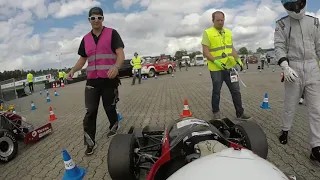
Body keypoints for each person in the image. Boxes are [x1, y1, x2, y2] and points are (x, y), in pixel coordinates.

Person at [68, 7, 125, 155]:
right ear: (89, 20)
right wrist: (73, 70)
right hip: (92, 81)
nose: (96, 20)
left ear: (103, 19)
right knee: (90, 111)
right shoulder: (85, 39)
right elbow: (82, 59)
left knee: (110, 107)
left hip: (109, 79)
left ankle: (114, 126)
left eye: (99, 17)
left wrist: (116, 67)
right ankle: (89, 142)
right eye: (93, 18)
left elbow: (120, 54)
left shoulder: (112, 33)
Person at [275, 0, 320, 163]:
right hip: (292, 67)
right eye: (291, 5)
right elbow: (279, 46)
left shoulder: (314, 22)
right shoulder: (282, 24)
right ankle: (285, 130)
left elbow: (319, 46)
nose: (296, 8)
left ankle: (316, 147)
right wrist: (284, 65)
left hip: (312, 66)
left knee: (316, 109)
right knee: (290, 103)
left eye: (298, 3)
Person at [201, 11, 251, 120]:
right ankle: (216, 112)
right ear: (213, 20)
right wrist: (216, 61)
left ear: (224, 20)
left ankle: (240, 113)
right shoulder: (207, 33)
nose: (220, 22)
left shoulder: (228, 32)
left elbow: (231, 48)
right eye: (217, 20)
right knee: (216, 91)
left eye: (222, 20)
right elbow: (205, 52)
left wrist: (238, 59)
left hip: (230, 67)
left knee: (236, 91)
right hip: (216, 69)